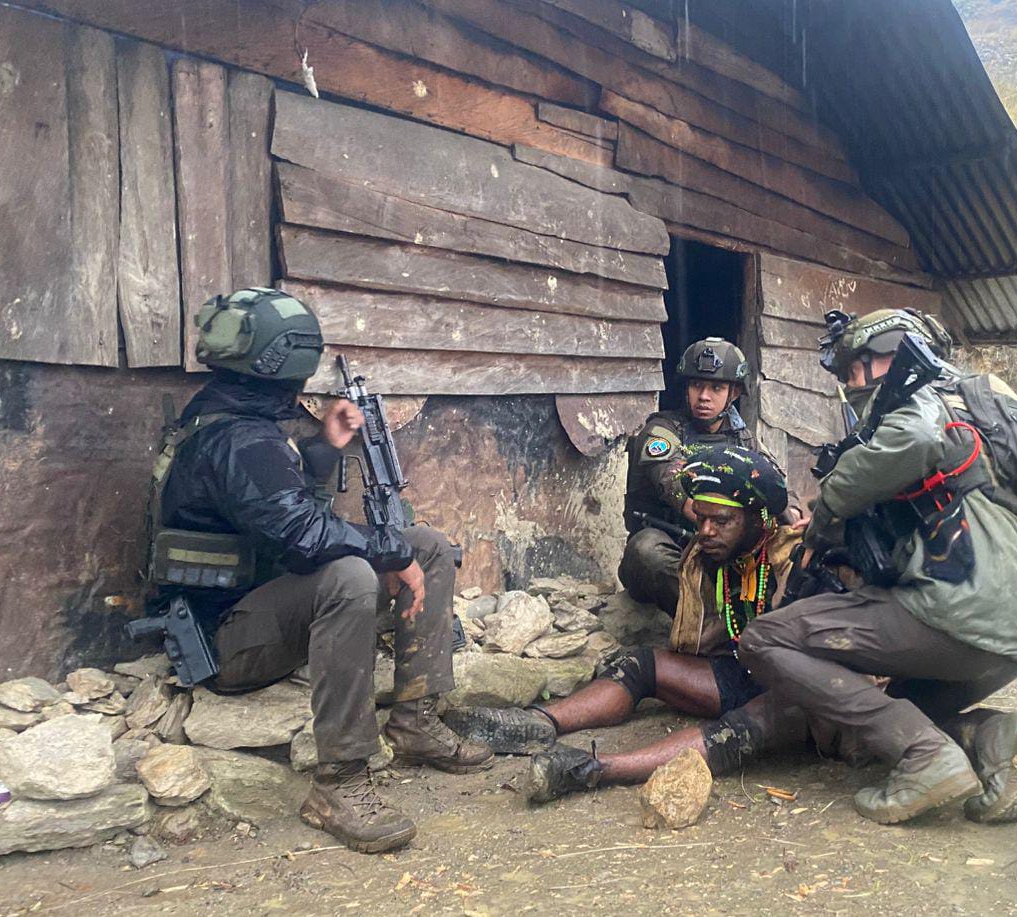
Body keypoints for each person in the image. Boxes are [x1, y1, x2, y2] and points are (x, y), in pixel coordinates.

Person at [154, 288, 491, 853]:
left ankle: (415, 722)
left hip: (261, 612)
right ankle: (340, 779)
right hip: (224, 646)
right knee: (351, 574)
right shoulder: (237, 439)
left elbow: (276, 508)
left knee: (429, 545)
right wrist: (389, 553)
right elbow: (304, 537)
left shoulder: (237, 418)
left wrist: (325, 447)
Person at [737, 309, 1017, 826]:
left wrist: (830, 505)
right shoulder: (985, 416)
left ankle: (925, 756)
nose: (849, 385)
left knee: (762, 639)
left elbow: (915, 440)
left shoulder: (920, 402)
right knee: (870, 730)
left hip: (959, 616)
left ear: (883, 357)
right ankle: (991, 737)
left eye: (852, 370)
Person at [447, 445, 807, 802]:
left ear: (758, 520)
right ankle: (537, 722)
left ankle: (592, 769)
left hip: (794, 695)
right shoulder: (715, 555)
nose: (706, 532)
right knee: (639, 665)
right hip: (742, 673)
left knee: (735, 730)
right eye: (701, 519)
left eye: (721, 522)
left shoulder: (796, 561)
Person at [619, 338, 757, 615]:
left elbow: (772, 479)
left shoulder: (742, 438)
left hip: (717, 551)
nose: (703, 396)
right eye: (696, 385)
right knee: (646, 549)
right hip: (669, 550)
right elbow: (669, 480)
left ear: (734, 393)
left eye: (716, 388)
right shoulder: (662, 430)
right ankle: (709, 620)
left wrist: (790, 513)